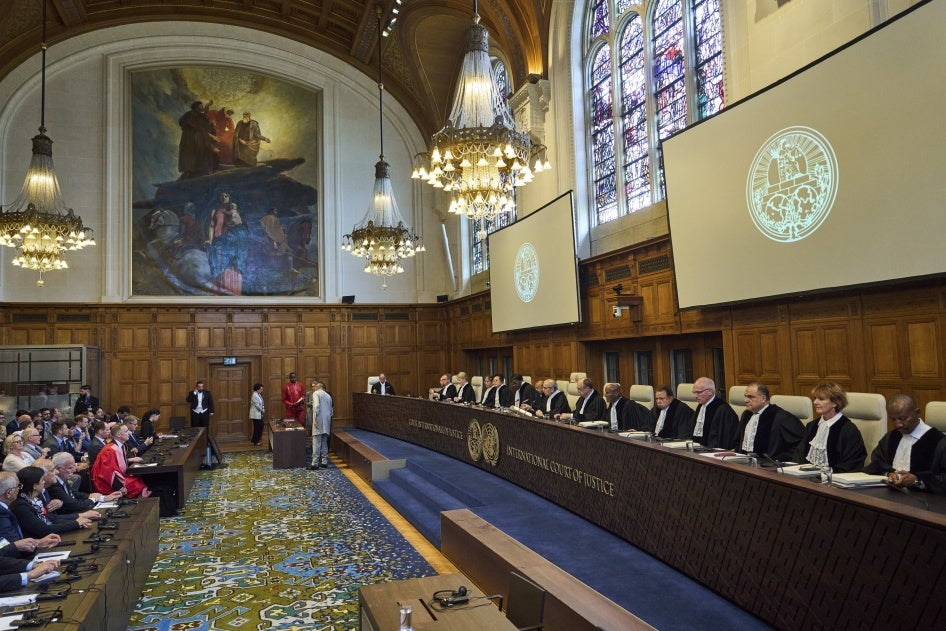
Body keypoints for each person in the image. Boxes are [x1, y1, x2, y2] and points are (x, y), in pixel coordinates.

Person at [863, 394, 946, 493]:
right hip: (889, 495)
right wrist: (889, 474)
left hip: (925, 499)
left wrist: (916, 481)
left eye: (903, 418)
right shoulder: (891, 437)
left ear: (917, 413)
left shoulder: (939, 442)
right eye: (893, 419)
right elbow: (876, 464)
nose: (898, 424)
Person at [794, 381, 867, 474]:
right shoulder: (812, 426)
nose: (815, 402)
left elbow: (853, 462)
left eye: (821, 399)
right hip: (806, 478)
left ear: (835, 403)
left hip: (835, 479)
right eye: (815, 398)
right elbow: (799, 455)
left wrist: (827, 473)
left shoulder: (848, 429)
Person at [11, 466, 94, 537]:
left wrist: (76, 521)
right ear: (35, 486)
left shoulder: (35, 499)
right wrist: (75, 523)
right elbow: (43, 529)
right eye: (42, 480)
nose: (44, 482)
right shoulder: (21, 506)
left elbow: (51, 518)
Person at [735, 383, 805, 462]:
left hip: (771, 465)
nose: (746, 400)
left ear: (763, 398)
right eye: (745, 396)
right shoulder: (746, 415)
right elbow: (738, 441)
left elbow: (799, 446)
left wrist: (779, 458)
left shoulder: (783, 418)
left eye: (750, 397)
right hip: (745, 463)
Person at [0, 472, 62, 558]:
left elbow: (15, 544)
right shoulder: (2, 513)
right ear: (9, 493)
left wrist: (37, 542)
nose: (19, 489)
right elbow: (10, 548)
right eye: (18, 486)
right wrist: (31, 564)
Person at [90, 424, 151, 498]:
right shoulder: (110, 450)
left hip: (116, 477)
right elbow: (108, 472)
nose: (128, 433)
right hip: (106, 483)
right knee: (137, 485)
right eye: (126, 431)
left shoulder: (121, 445)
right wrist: (120, 487)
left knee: (140, 478)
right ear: (119, 435)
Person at [49, 452, 122, 513]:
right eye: (70, 468)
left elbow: (74, 493)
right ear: (59, 469)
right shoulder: (53, 484)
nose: (74, 470)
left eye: (74, 466)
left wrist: (102, 498)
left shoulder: (62, 478)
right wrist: (93, 499)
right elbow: (74, 505)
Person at [691, 377, 739, 449]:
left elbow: (724, 438)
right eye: (694, 392)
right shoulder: (701, 406)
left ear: (710, 392)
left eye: (699, 392)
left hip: (713, 451)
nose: (695, 396)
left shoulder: (723, 409)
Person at [178, 100, 217, 179]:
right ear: (196, 107)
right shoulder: (190, 114)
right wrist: (194, 128)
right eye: (200, 106)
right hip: (190, 139)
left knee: (200, 153)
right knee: (191, 155)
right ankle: (190, 171)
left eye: (202, 106)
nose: (202, 108)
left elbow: (205, 121)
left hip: (198, 138)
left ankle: (199, 170)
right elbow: (183, 122)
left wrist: (207, 107)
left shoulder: (200, 115)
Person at [307, 382, 333, 470]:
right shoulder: (328, 396)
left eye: (315, 387)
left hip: (318, 420)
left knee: (316, 443)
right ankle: (324, 462)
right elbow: (331, 411)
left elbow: (316, 406)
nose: (313, 388)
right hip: (327, 421)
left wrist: (315, 419)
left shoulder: (316, 393)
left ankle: (314, 463)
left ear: (317, 387)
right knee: (324, 442)